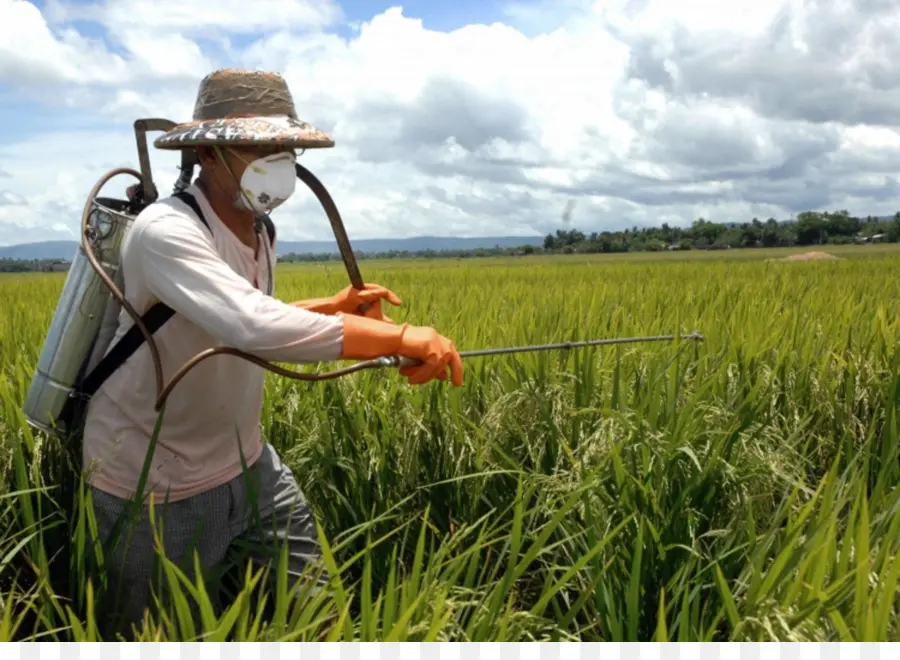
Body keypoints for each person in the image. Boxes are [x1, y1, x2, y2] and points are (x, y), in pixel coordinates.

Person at [80, 68, 464, 635]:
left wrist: (331, 310)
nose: (278, 158)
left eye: (283, 145)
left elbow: (237, 313)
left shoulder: (260, 230)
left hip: (247, 460)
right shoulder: (166, 231)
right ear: (208, 154)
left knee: (318, 610)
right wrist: (401, 338)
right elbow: (250, 323)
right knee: (158, 636)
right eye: (258, 145)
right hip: (151, 482)